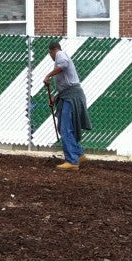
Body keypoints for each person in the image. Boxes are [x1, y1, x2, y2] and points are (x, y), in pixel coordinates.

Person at [43, 41, 91, 170]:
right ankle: (78, 154)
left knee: (65, 128)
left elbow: (64, 65)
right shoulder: (60, 57)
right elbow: (65, 86)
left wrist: (48, 75)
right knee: (62, 127)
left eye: (50, 54)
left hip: (72, 96)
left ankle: (72, 161)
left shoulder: (60, 54)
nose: (51, 56)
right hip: (67, 96)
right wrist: (55, 98)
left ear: (52, 51)